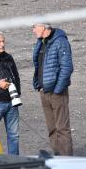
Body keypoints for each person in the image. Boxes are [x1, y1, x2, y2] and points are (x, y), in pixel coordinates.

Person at [32, 23, 73, 155]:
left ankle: (67, 161)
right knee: (52, 128)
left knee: (62, 128)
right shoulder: (41, 42)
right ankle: (58, 157)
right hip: (44, 91)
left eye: (34, 27)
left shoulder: (60, 41)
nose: (33, 31)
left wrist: (58, 89)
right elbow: (38, 65)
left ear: (43, 27)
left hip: (57, 93)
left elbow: (67, 67)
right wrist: (38, 85)